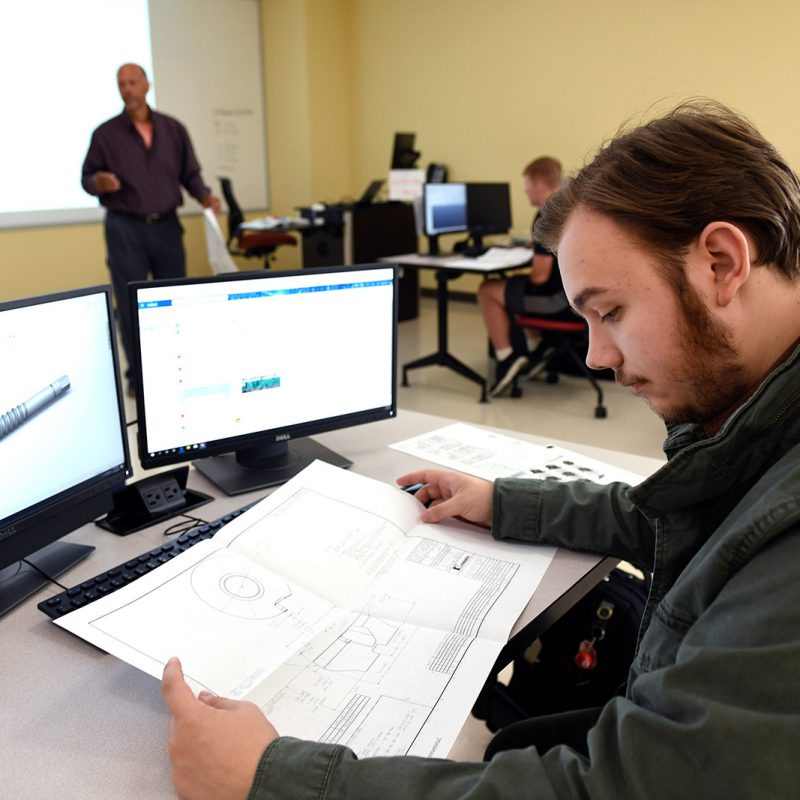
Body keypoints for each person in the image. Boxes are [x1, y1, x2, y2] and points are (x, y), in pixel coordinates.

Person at [161, 101, 800, 798]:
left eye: (611, 311)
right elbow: (680, 515)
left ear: (721, 263)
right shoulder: (758, 426)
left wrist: (273, 779)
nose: (596, 355)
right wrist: (503, 502)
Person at [81, 63, 220, 392]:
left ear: (147, 85)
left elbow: (190, 174)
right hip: (125, 228)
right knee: (130, 303)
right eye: (121, 84)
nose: (127, 89)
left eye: (133, 82)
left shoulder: (173, 129)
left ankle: (176, 371)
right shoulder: (105, 134)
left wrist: (204, 196)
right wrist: (98, 182)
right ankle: (138, 379)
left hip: (167, 226)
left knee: (173, 299)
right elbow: (86, 178)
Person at [477, 156, 571, 397]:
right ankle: (539, 348)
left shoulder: (546, 215)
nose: (526, 191)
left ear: (539, 184)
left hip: (556, 300)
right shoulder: (566, 206)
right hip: (572, 295)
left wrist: (518, 277)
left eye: (527, 185)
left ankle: (507, 358)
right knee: (513, 290)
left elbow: (540, 277)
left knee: (488, 290)